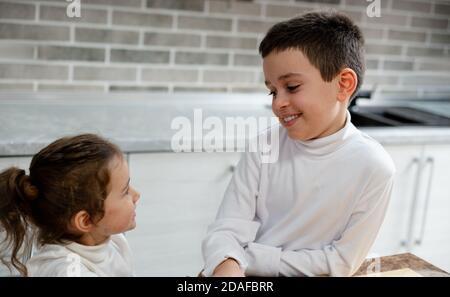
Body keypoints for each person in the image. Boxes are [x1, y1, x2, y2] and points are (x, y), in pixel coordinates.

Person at [201, 11, 396, 277]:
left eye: (291, 87)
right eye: (272, 90)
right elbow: (226, 230)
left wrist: (248, 254)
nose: (277, 103)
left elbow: (340, 263)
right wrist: (226, 263)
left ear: (343, 85)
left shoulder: (374, 167)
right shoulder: (264, 146)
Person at [0, 134, 140, 276]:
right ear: (85, 220)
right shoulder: (68, 271)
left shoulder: (114, 242)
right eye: (125, 191)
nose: (136, 195)